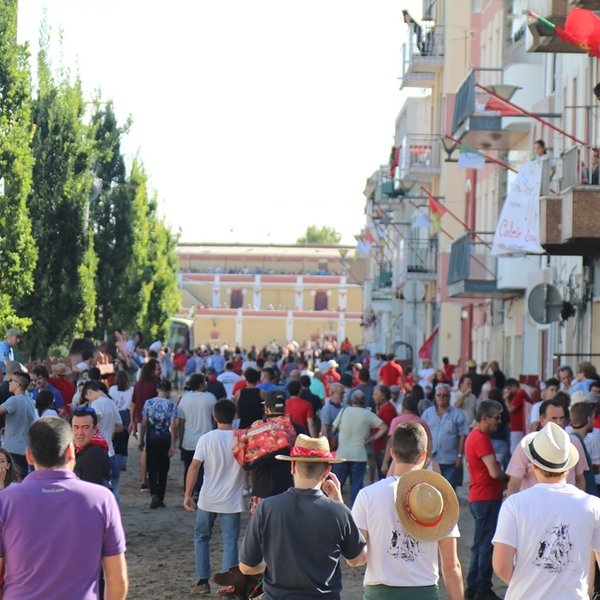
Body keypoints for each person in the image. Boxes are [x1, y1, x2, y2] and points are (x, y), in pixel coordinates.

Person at [0, 417, 127, 599]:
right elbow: (117, 581)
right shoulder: (102, 499)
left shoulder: (5, 501)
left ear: (29, 455)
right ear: (70, 451)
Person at [239, 435, 367, 598]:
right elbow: (356, 559)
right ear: (327, 470)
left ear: (292, 466)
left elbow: (246, 567)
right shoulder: (338, 511)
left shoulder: (266, 507)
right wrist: (340, 503)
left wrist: (273, 564)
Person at [352, 422, 463, 600]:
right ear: (423, 456)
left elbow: (355, 559)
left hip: (379, 594)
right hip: (424, 593)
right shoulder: (437, 499)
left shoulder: (367, 495)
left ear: (392, 453)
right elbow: (451, 567)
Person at [492, 422, 600, 599]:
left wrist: (527, 584)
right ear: (569, 466)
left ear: (533, 465)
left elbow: (500, 566)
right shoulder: (593, 505)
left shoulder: (514, 505)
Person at [183, 399, 245, 596]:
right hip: (232, 499)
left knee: (201, 537)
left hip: (207, 498)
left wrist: (187, 494)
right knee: (230, 541)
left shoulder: (207, 438)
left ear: (214, 417)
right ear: (234, 416)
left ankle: (202, 581)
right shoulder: (241, 439)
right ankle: (229, 586)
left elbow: (194, 466)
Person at [464, 400, 507, 600]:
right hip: (486, 497)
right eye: (496, 417)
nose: (499, 421)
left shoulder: (476, 436)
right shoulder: (480, 438)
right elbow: (494, 472)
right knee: (485, 545)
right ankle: (481, 588)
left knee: (479, 544)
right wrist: (511, 478)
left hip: (481, 496)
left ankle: (474, 588)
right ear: (484, 418)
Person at [506, 399, 588, 495]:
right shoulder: (526, 445)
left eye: (562, 418)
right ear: (542, 420)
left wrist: (578, 504)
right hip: (534, 506)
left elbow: (580, 479)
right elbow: (514, 483)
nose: (559, 422)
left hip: (565, 504)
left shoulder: (574, 442)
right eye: (554, 418)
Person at [332, 391, 387, 505]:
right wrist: (371, 439)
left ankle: (331, 508)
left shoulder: (344, 411)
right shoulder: (367, 414)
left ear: (352, 400)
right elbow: (383, 427)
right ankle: (355, 514)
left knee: (335, 485)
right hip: (359, 455)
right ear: (364, 401)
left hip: (342, 454)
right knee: (356, 487)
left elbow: (333, 429)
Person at [421, 383, 469, 489]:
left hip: (450, 460)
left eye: (444, 395)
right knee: (432, 489)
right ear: (435, 396)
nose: (441, 398)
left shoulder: (457, 415)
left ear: (449, 397)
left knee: (448, 490)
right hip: (432, 459)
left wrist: (459, 456)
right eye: (439, 395)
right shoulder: (427, 414)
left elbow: (462, 435)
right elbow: (422, 433)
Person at [140, 380, 178, 509]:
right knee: (163, 469)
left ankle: (154, 494)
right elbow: (173, 426)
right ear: (168, 391)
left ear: (157, 389)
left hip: (151, 438)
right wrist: (173, 444)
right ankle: (160, 496)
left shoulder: (149, 403)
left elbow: (144, 423)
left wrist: (141, 439)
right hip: (165, 439)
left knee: (152, 467)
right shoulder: (171, 405)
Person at [177, 373, 216, 497]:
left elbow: (180, 422)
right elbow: (215, 419)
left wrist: (180, 439)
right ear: (200, 384)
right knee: (204, 469)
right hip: (206, 439)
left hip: (188, 440)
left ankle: (188, 491)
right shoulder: (210, 398)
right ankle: (199, 491)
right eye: (204, 382)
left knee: (188, 467)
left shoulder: (184, 398)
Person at [130, 358, 161, 491]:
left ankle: (143, 481)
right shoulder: (156, 385)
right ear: (152, 370)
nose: (160, 371)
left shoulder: (138, 385)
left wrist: (132, 421)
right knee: (156, 451)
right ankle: (154, 477)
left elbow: (132, 405)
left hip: (139, 419)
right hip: (155, 421)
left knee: (144, 450)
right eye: (158, 369)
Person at [0, 371, 36, 476]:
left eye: (11, 381)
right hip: (25, 449)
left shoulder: (14, 400)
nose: (9, 383)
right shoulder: (29, 401)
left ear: (18, 384)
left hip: (12, 449)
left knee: (11, 482)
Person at [72, 406, 111, 487]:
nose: (80, 433)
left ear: (95, 429)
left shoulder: (94, 454)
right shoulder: (78, 450)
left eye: (86, 427)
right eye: (76, 427)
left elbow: (90, 493)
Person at [109, 370, 133, 477]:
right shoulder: (132, 389)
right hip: (126, 415)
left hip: (115, 413)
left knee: (114, 439)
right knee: (124, 440)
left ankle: (113, 460)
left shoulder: (112, 389)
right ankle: (122, 462)